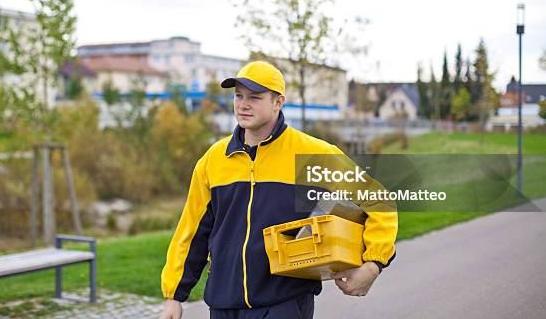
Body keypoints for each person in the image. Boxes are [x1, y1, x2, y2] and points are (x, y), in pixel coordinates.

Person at [160, 61, 397, 319]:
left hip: (285, 303)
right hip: (224, 305)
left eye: (254, 97)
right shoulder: (214, 159)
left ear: (278, 102)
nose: (243, 104)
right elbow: (192, 230)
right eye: (238, 96)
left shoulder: (312, 154)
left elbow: (378, 201)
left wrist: (373, 264)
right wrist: (174, 295)